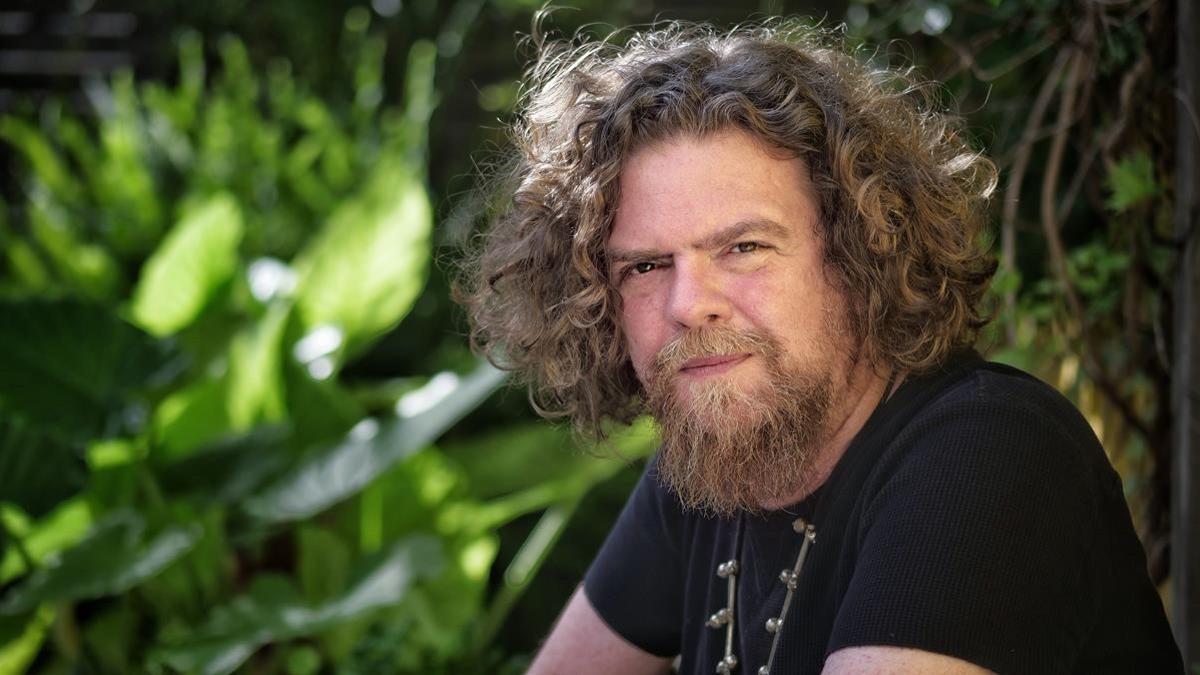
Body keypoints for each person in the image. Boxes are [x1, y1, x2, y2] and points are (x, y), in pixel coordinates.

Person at [457, 19, 1184, 675]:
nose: (687, 304)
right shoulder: (716, 463)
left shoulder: (989, 451)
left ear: (860, 253)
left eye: (743, 247)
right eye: (646, 266)